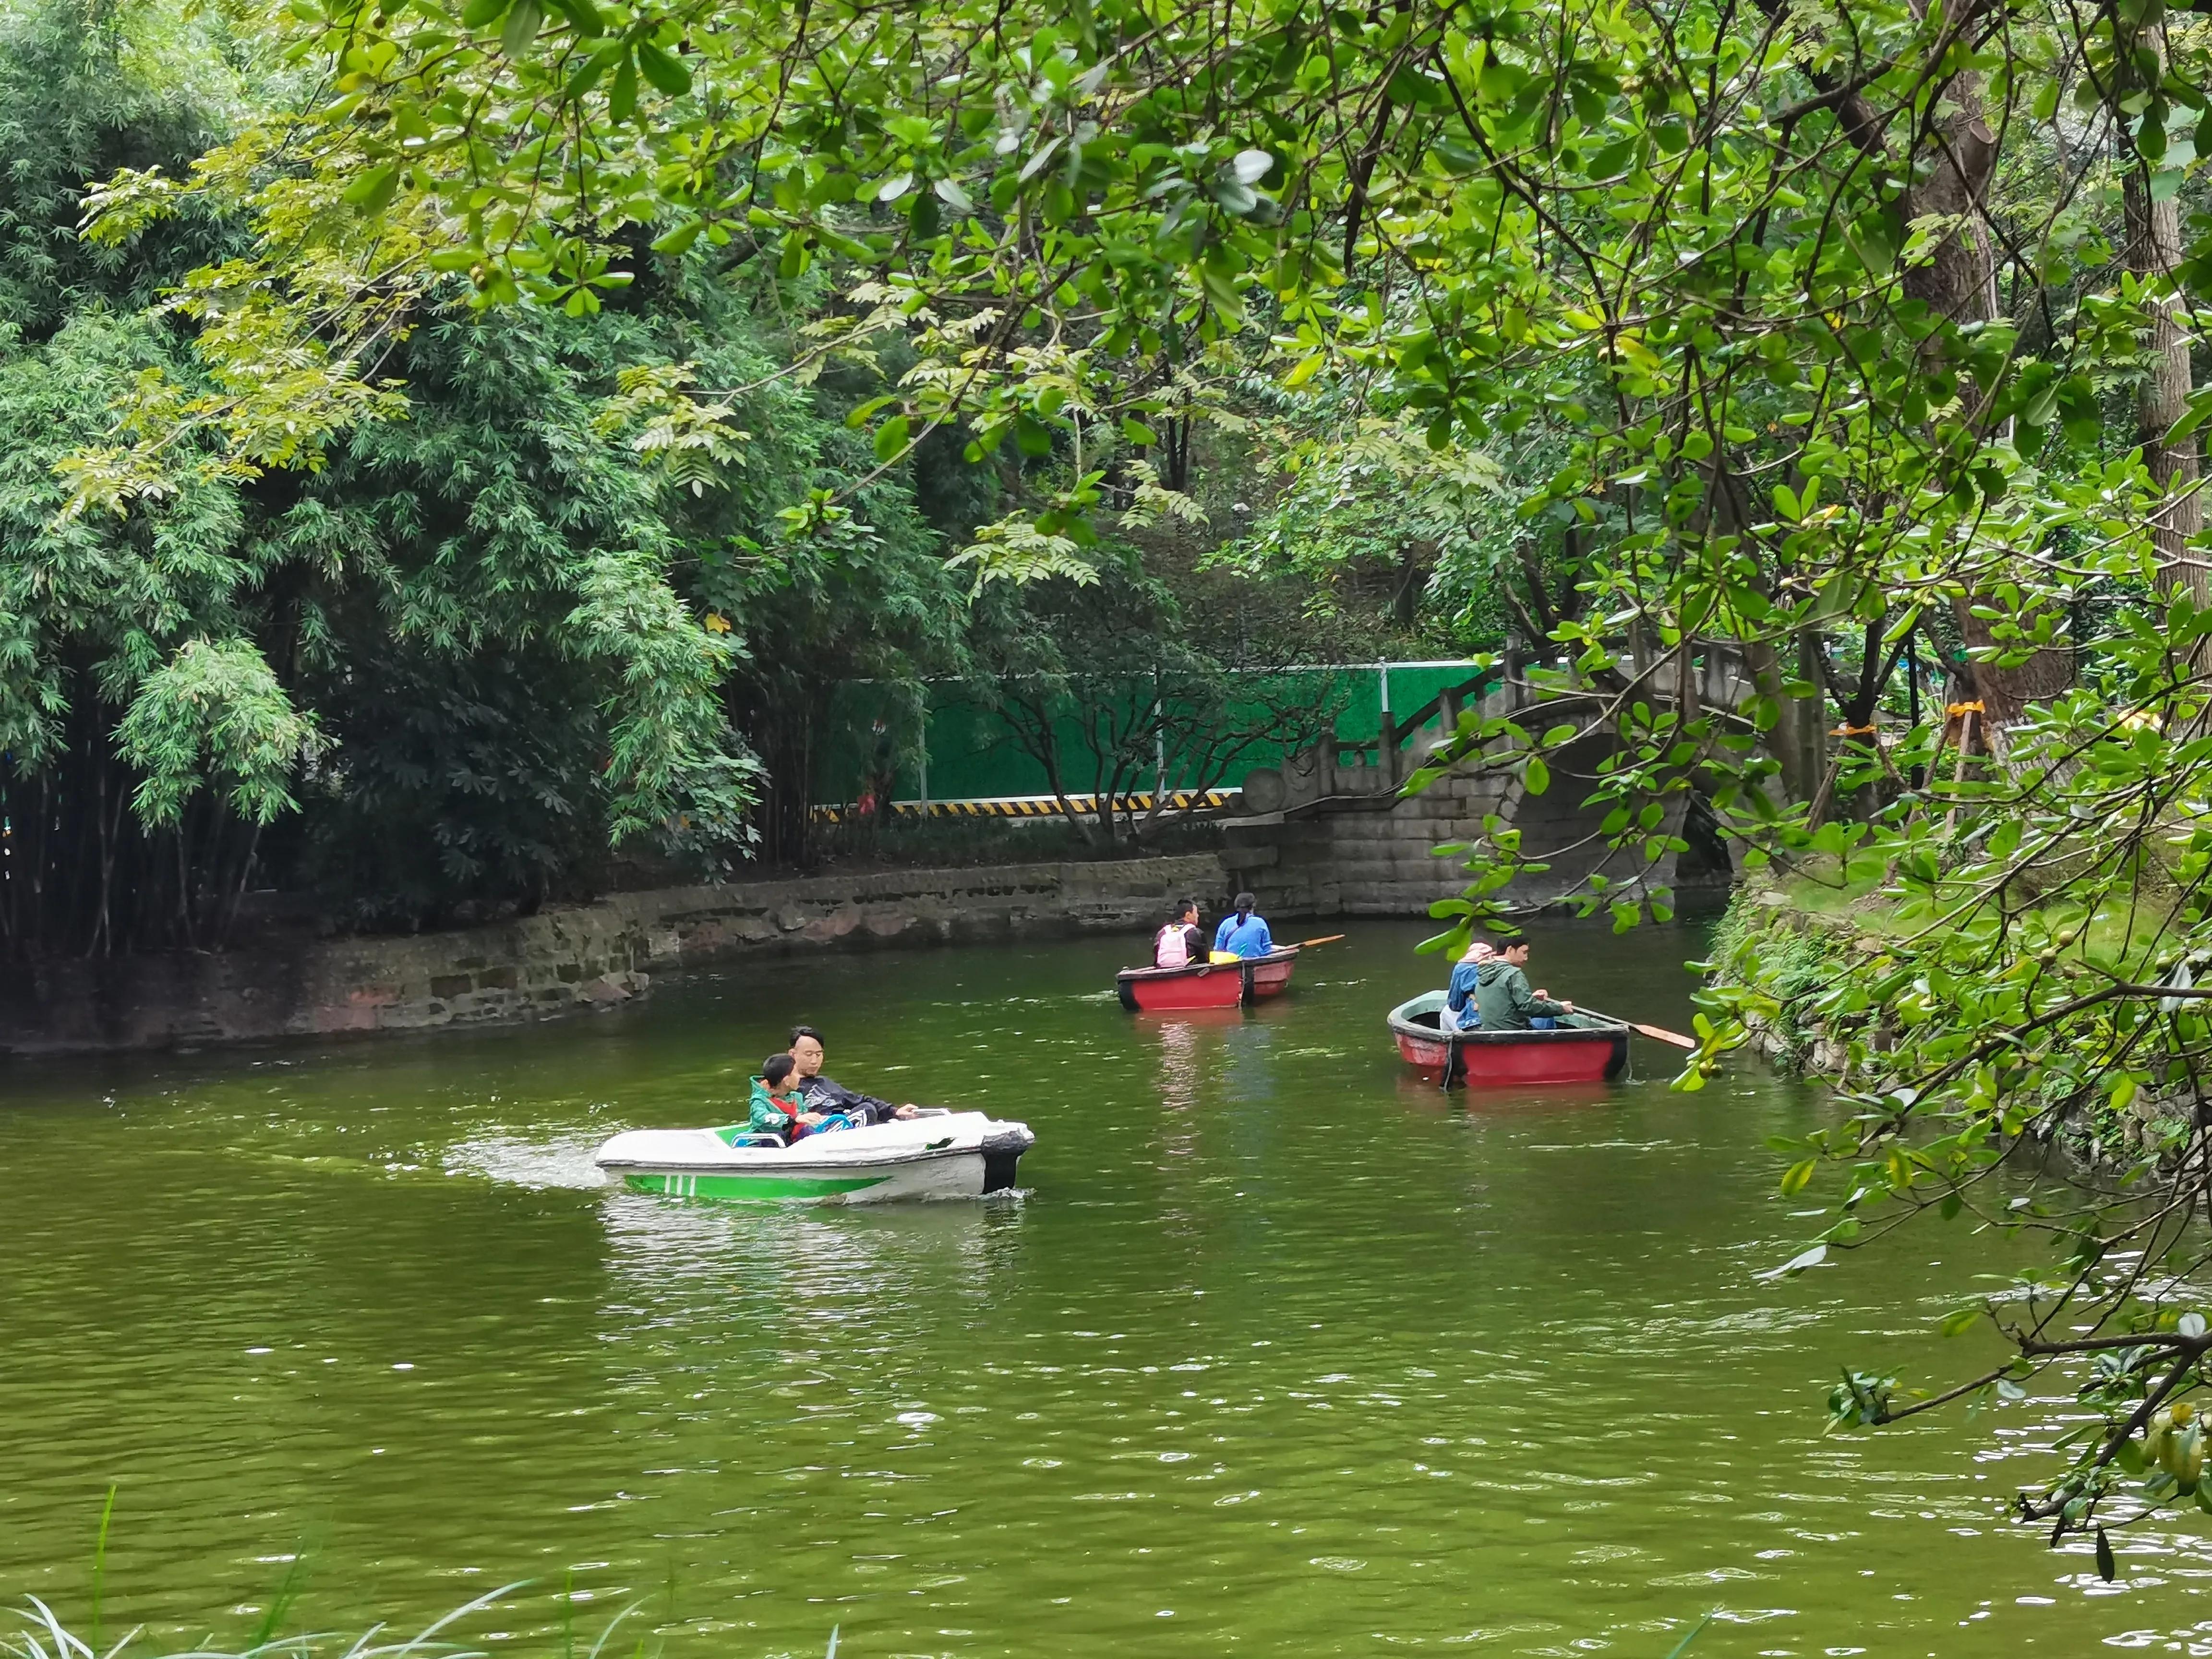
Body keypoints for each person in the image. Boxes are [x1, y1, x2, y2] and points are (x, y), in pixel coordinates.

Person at [788, 1025, 918, 1124]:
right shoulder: (784, 1085)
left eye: (818, 1055)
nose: (814, 1061)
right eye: (809, 1055)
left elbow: (859, 1100)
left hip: (845, 1121)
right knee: (867, 1110)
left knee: (866, 1108)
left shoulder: (824, 1083)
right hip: (818, 1130)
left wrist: (895, 1111)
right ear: (793, 1054)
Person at [1471, 934, 1574, 1031]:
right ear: (1510, 950)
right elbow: (1527, 1007)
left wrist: (1532, 997)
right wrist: (1561, 1008)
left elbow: (1501, 1000)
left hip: (1490, 1031)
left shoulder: (1483, 972)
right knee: (1547, 1018)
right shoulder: (1514, 973)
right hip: (1515, 1032)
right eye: (1524, 952)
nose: (1526, 958)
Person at [745, 1052, 832, 1144]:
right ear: (786, 1081)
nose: (800, 1077)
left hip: (790, 1143)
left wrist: (820, 1120)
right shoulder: (759, 1101)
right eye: (797, 1073)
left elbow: (804, 1119)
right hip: (764, 1146)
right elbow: (763, 1119)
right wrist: (793, 1120)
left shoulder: (796, 1097)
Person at [1442, 938, 1497, 1032]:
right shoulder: (1499, 967)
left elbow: (1455, 1005)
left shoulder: (1461, 968)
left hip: (1475, 1023)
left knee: (1446, 1012)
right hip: (1501, 1020)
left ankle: (1446, 1042)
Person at [1212, 891, 1274, 960]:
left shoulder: (1225, 923)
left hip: (1231, 966)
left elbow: (1218, 951)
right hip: (1254, 965)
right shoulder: (1260, 923)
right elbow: (1267, 951)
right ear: (1253, 906)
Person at [1154, 900, 1205, 968]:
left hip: (1163, 971)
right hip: (1187, 974)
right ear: (1188, 915)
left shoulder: (1162, 932)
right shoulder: (1195, 932)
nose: (1198, 916)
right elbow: (1204, 959)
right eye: (1196, 913)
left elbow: (1156, 959)